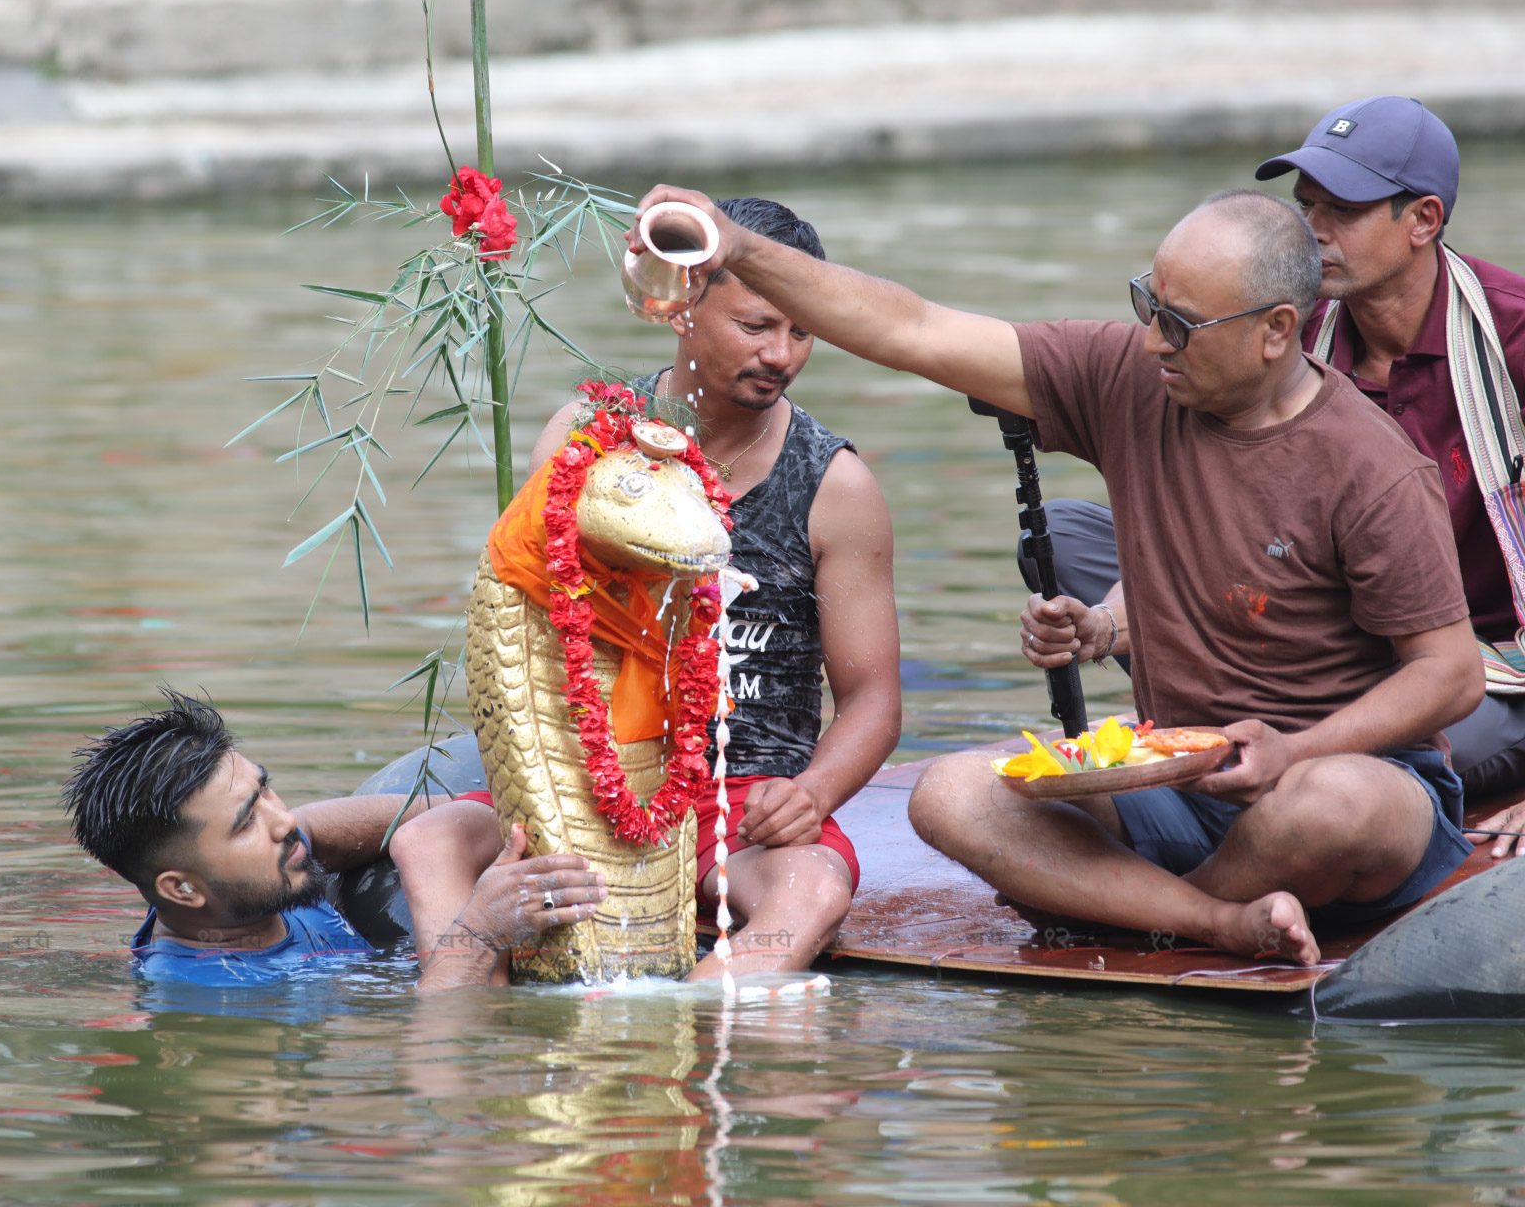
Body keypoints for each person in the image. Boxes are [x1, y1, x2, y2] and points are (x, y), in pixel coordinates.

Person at [622, 180, 1484, 966]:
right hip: (1172, 778)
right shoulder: (1132, 377)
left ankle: (1143, 905)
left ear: (1276, 333)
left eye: (1182, 324)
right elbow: (912, 329)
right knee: (951, 795)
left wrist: (1296, 748)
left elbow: (1451, 676)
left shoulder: (1372, 467)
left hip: (1349, 787)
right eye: (1150, 305)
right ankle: (1214, 921)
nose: (1154, 341)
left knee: (1325, 804)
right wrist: (730, 245)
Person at [392, 196, 903, 983]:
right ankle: (460, 1017)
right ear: (681, 308)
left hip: (740, 792)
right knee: (425, 841)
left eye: (802, 330)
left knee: (813, 888)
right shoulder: (585, 438)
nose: (783, 354)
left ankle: (685, 1034)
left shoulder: (834, 484)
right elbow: (529, 620)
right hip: (595, 766)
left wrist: (812, 793)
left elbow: (872, 698)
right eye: (757, 326)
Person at [1019, 97, 1525, 860]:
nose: (1311, 231)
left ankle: (1308, 757)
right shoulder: (1277, 327)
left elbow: (1450, 670)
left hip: (1487, 664)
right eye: (1306, 205)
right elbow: (1206, 534)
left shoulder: (1512, 338)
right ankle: (1251, 731)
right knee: (1065, 536)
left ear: (1422, 220)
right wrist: (1106, 626)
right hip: (1313, 623)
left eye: (1343, 211)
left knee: (1435, 725)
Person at [62, 688, 608, 988]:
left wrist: (499, 812)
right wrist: (480, 934)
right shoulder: (212, 993)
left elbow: (314, 828)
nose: (282, 820)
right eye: (248, 820)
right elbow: (443, 1048)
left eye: (265, 790)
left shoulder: (244, 890)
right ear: (181, 890)